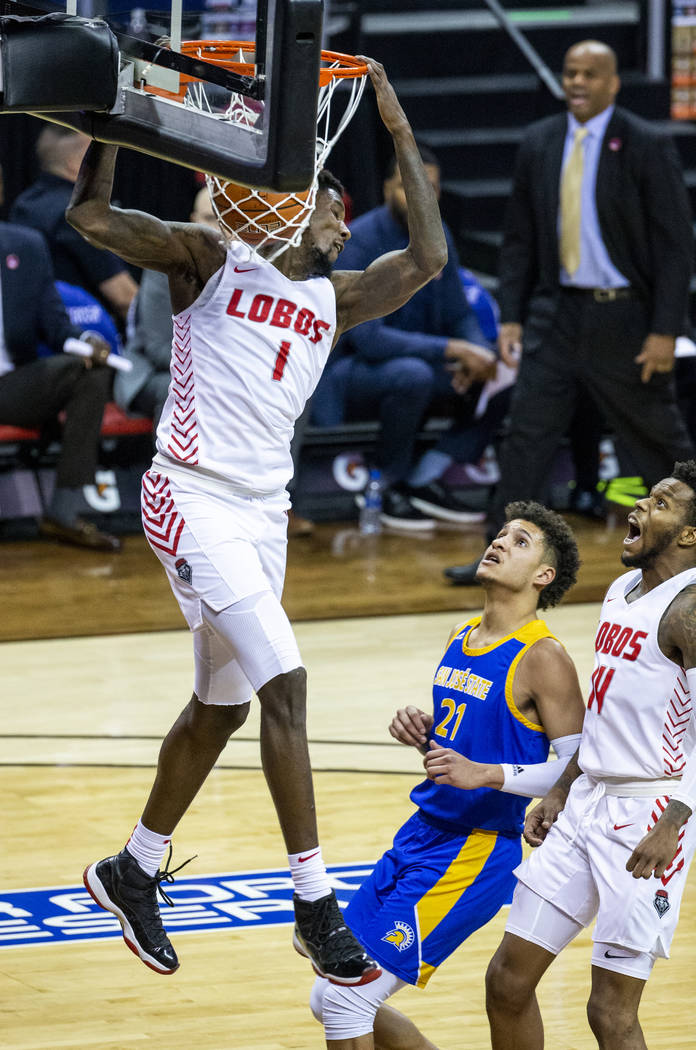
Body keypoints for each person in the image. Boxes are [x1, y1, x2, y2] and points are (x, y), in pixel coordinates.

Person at [69, 58, 449, 984]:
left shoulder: (336, 297)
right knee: (286, 680)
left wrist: (398, 129)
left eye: (334, 206)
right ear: (276, 207)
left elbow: (428, 259)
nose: (330, 216)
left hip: (261, 513)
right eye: (319, 201)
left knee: (223, 707)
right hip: (188, 493)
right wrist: (113, 128)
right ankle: (314, 904)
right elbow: (92, 219)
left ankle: (133, 867)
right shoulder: (208, 261)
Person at [310, 500, 586, 1050]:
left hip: (474, 851)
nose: (501, 542)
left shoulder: (543, 655)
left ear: (542, 576)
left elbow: (577, 767)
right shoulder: (461, 636)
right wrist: (425, 730)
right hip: (421, 833)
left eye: (521, 542)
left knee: (348, 998)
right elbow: (464, 744)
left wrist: (487, 774)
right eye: (502, 533)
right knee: (329, 991)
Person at [445, 39, 694, 585]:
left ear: (612, 83)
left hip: (624, 318)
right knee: (525, 441)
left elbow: (677, 245)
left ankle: (691, 548)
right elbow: (519, 241)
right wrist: (511, 315)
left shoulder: (646, 144)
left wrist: (665, 331)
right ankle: (498, 561)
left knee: (659, 439)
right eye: (570, 72)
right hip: (554, 315)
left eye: (589, 73)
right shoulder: (540, 141)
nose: (577, 82)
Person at [486, 460, 696, 1050]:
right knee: (506, 980)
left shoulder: (688, 611)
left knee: (609, 1013)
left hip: (649, 816)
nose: (638, 507)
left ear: (689, 535)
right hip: (586, 804)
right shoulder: (620, 590)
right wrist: (560, 788)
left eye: (658, 503)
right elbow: (602, 714)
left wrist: (672, 827)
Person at [311, 145, 499, 530]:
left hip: (419, 365)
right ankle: (389, 483)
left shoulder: (439, 234)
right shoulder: (358, 239)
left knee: (505, 374)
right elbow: (370, 341)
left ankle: (424, 477)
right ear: (385, 190)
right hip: (349, 372)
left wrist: (478, 353)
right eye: (407, 186)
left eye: (428, 187)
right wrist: (452, 349)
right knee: (411, 374)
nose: (418, 196)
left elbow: (459, 314)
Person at [0, 166, 120, 551]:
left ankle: (63, 512)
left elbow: (56, 326)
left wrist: (86, 341)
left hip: (8, 384)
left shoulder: (26, 246)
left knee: (88, 372)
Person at [10, 126, 138, 325]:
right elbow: (123, 297)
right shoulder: (78, 212)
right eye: (99, 156)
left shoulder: (22, 205)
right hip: (86, 336)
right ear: (74, 163)